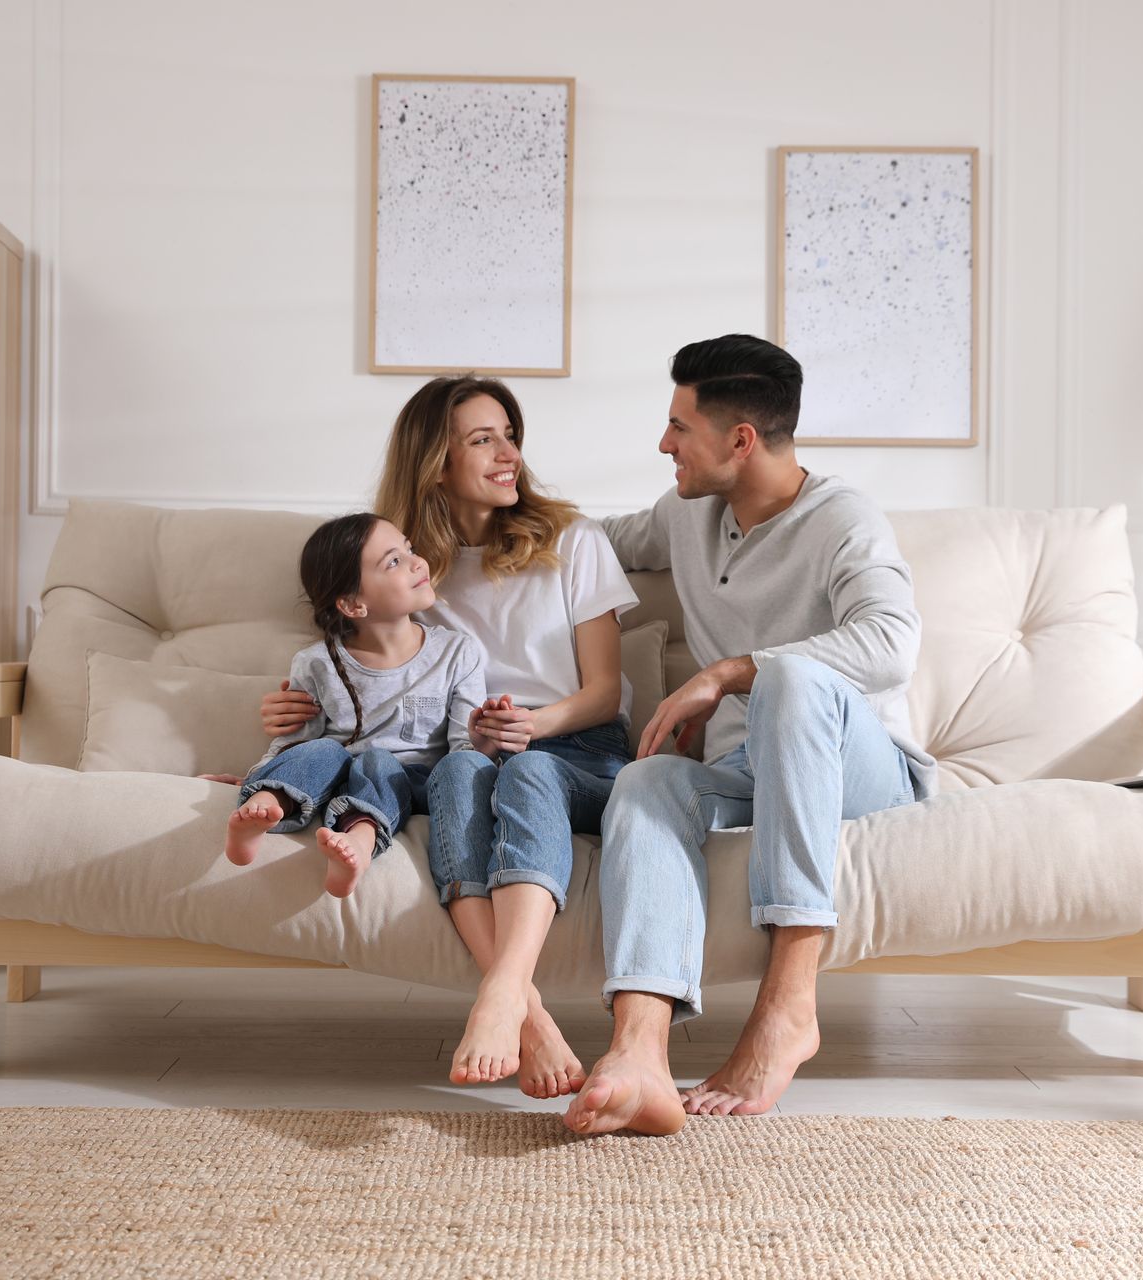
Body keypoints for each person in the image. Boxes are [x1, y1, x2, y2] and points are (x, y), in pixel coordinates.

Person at [564, 334, 939, 1137]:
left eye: (679, 426)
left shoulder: (845, 520)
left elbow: (890, 642)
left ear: (740, 440)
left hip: (862, 774)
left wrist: (734, 670)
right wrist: (464, 519)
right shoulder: (685, 515)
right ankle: (639, 1051)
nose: (664, 444)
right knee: (645, 780)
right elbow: (586, 541)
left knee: (793, 679)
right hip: (748, 772)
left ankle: (788, 1002)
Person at [260, 376, 637, 1099]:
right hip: (466, 753)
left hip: (576, 747)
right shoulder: (407, 570)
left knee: (522, 774)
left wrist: (533, 726)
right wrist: (291, 715)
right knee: (461, 776)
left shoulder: (574, 541)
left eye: (511, 435)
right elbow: (355, 665)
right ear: (437, 461)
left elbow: (604, 693)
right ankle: (531, 1017)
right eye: (483, 439)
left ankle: (502, 994)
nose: (510, 455)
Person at [223, 512, 485, 898]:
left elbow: (464, 748)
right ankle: (262, 806)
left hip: (416, 781)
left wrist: (490, 742)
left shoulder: (457, 652)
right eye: (394, 561)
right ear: (353, 604)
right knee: (324, 749)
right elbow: (294, 743)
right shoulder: (316, 663)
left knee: (377, 762)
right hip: (340, 776)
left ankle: (360, 842)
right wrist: (260, 773)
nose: (418, 562)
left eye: (409, 549)